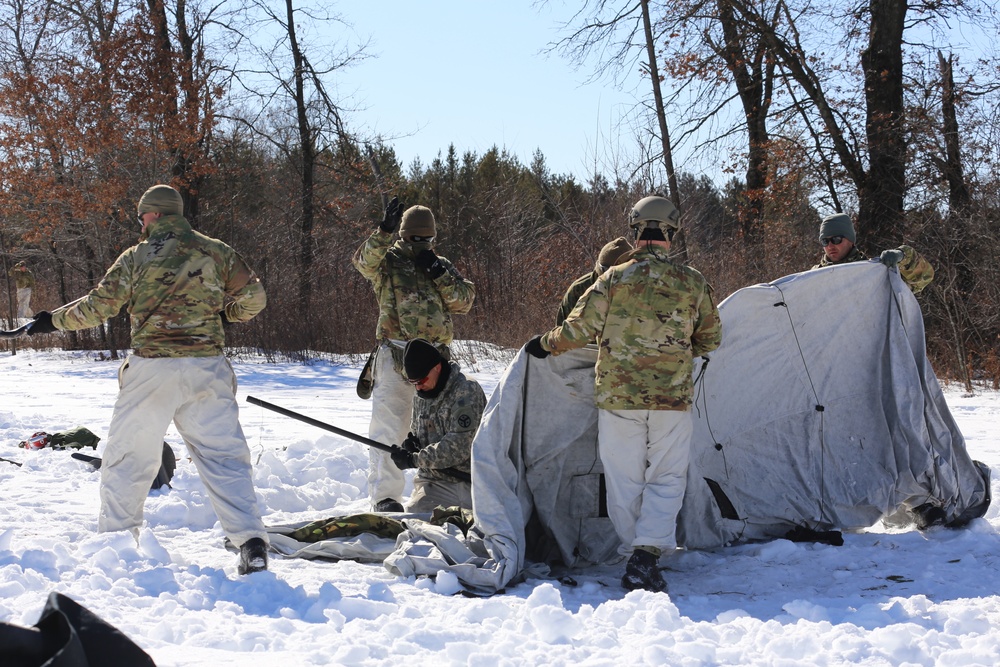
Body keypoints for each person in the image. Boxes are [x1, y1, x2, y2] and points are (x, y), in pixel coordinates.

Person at [25, 184, 270, 575]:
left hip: (153, 368)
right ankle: (251, 542)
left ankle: (118, 543)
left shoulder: (136, 257)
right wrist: (226, 315)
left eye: (142, 216)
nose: (140, 223)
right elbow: (256, 298)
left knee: (128, 457)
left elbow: (97, 307)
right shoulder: (217, 251)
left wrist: (51, 321)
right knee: (225, 458)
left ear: (152, 214)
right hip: (208, 369)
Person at [525, 195, 722, 593]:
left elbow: (576, 329)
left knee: (623, 481)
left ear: (635, 230)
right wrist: (676, 353)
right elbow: (712, 338)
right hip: (671, 400)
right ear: (671, 231)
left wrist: (544, 344)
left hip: (619, 399)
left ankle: (639, 553)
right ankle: (646, 556)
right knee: (667, 478)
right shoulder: (693, 282)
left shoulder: (612, 279)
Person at [353, 197, 476, 513]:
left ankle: (436, 491)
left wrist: (438, 271)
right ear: (403, 235)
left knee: (436, 431)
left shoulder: (440, 264)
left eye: (426, 239)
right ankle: (385, 497)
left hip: (436, 363)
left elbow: (464, 301)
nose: (420, 244)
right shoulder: (388, 262)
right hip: (396, 355)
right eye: (414, 238)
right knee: (390, 426)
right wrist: (384, 231)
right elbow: (363, 262)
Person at [387, 338, 486, 512]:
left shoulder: (466, 391)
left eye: (421, 381)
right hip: (432, 480)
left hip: (464, 482)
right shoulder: (423, 392)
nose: (418, 388)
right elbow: (419, 428)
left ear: (437, 368)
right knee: (412, 519)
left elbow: (458, 447)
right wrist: (414, 443)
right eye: (413, 383)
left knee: (418, 520)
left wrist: (415, 459)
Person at [812, 212, 934, 293]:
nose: (830, 245)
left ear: (851, 241)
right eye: (825, 241)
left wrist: (902, 256)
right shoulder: (812, 278)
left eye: (836, 239)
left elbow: (923, 277)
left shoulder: (874, 273)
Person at [555, 237, 632, 325]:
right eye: (609, 273)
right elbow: (562, 329)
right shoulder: (579, 290)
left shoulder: (641, 288)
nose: (612, 279)